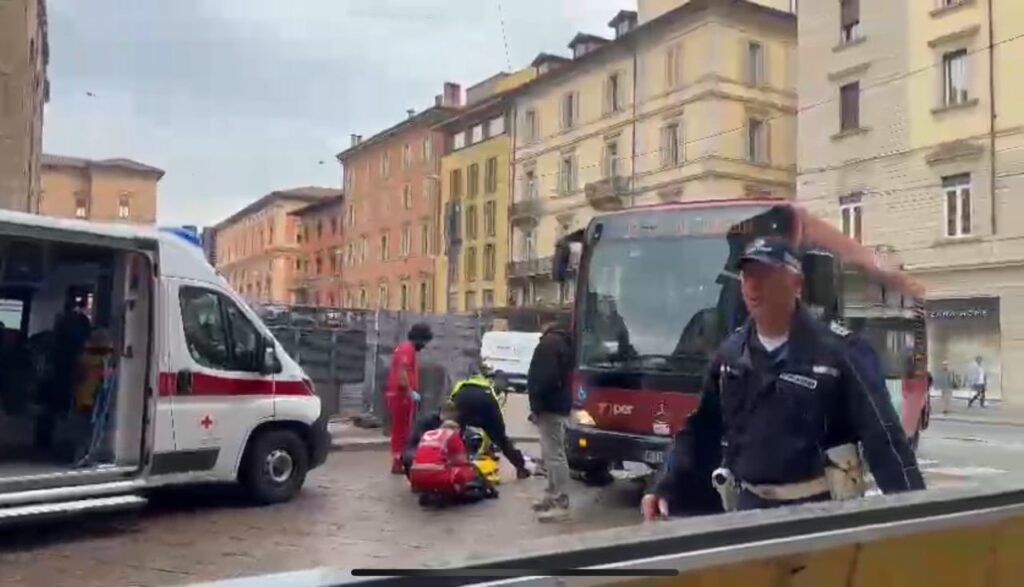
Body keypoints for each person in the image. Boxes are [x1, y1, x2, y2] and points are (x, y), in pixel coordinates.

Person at [642, 238, 925, 519]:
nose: (754, 286)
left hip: (820, 513)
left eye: (766, 275)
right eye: (748, 276)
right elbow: (701, 429)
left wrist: (916, 514)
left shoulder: (841, 352)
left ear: (796, 284)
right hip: (748, 510)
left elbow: (884, 439)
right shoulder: (731, 354)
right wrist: (664, 484)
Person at [527, 316, 574, 523]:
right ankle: (551, 493)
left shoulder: (549, 344)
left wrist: (537, 405)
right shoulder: (563, 342)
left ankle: (560, 501)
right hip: (557, 404)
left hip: (550, 406)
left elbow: (543, 378)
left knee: (554, 454)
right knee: (550, 452)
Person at [449, 374, 531, 480]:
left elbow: (450, 405)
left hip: (463, 400)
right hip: (487, 402)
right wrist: (485, 448)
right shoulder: (489, 387)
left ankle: (449, 464)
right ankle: (521, 468)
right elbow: (492, 429)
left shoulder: (461, 384)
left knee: (454, 435)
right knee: (502, 440)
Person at [408, 411, 496, 507]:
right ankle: (452, 493)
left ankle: (432, 491)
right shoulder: (452, 435)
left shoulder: (428, 434)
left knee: (441, 468)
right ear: (456, 430)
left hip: (415, 475)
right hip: (437, 475)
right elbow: (461, 462)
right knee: (467, 471)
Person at [384, 323, 433, 474]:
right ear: (420, 338)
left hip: (400, 394)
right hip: (402, 396)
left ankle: (398, 461)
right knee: (402, 431)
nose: (424, 346)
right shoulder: (407, 349)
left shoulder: (404, 348)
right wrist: (409, 391)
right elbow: (402, 372)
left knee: (401, 430)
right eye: (424, 341)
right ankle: (398, 462)